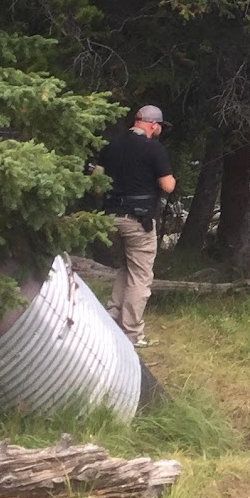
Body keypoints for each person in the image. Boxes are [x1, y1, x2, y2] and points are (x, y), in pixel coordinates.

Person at [92, 104, 175, 347]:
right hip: (138, 222)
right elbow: (168, 186)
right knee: (141, 276)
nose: (159, 129)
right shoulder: (154, 149)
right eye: (159, 125)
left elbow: (97, 180)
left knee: (125, 269)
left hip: (110, 219)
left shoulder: (111, 146)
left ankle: (111, 319)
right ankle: (131, 334)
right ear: (152, 124)